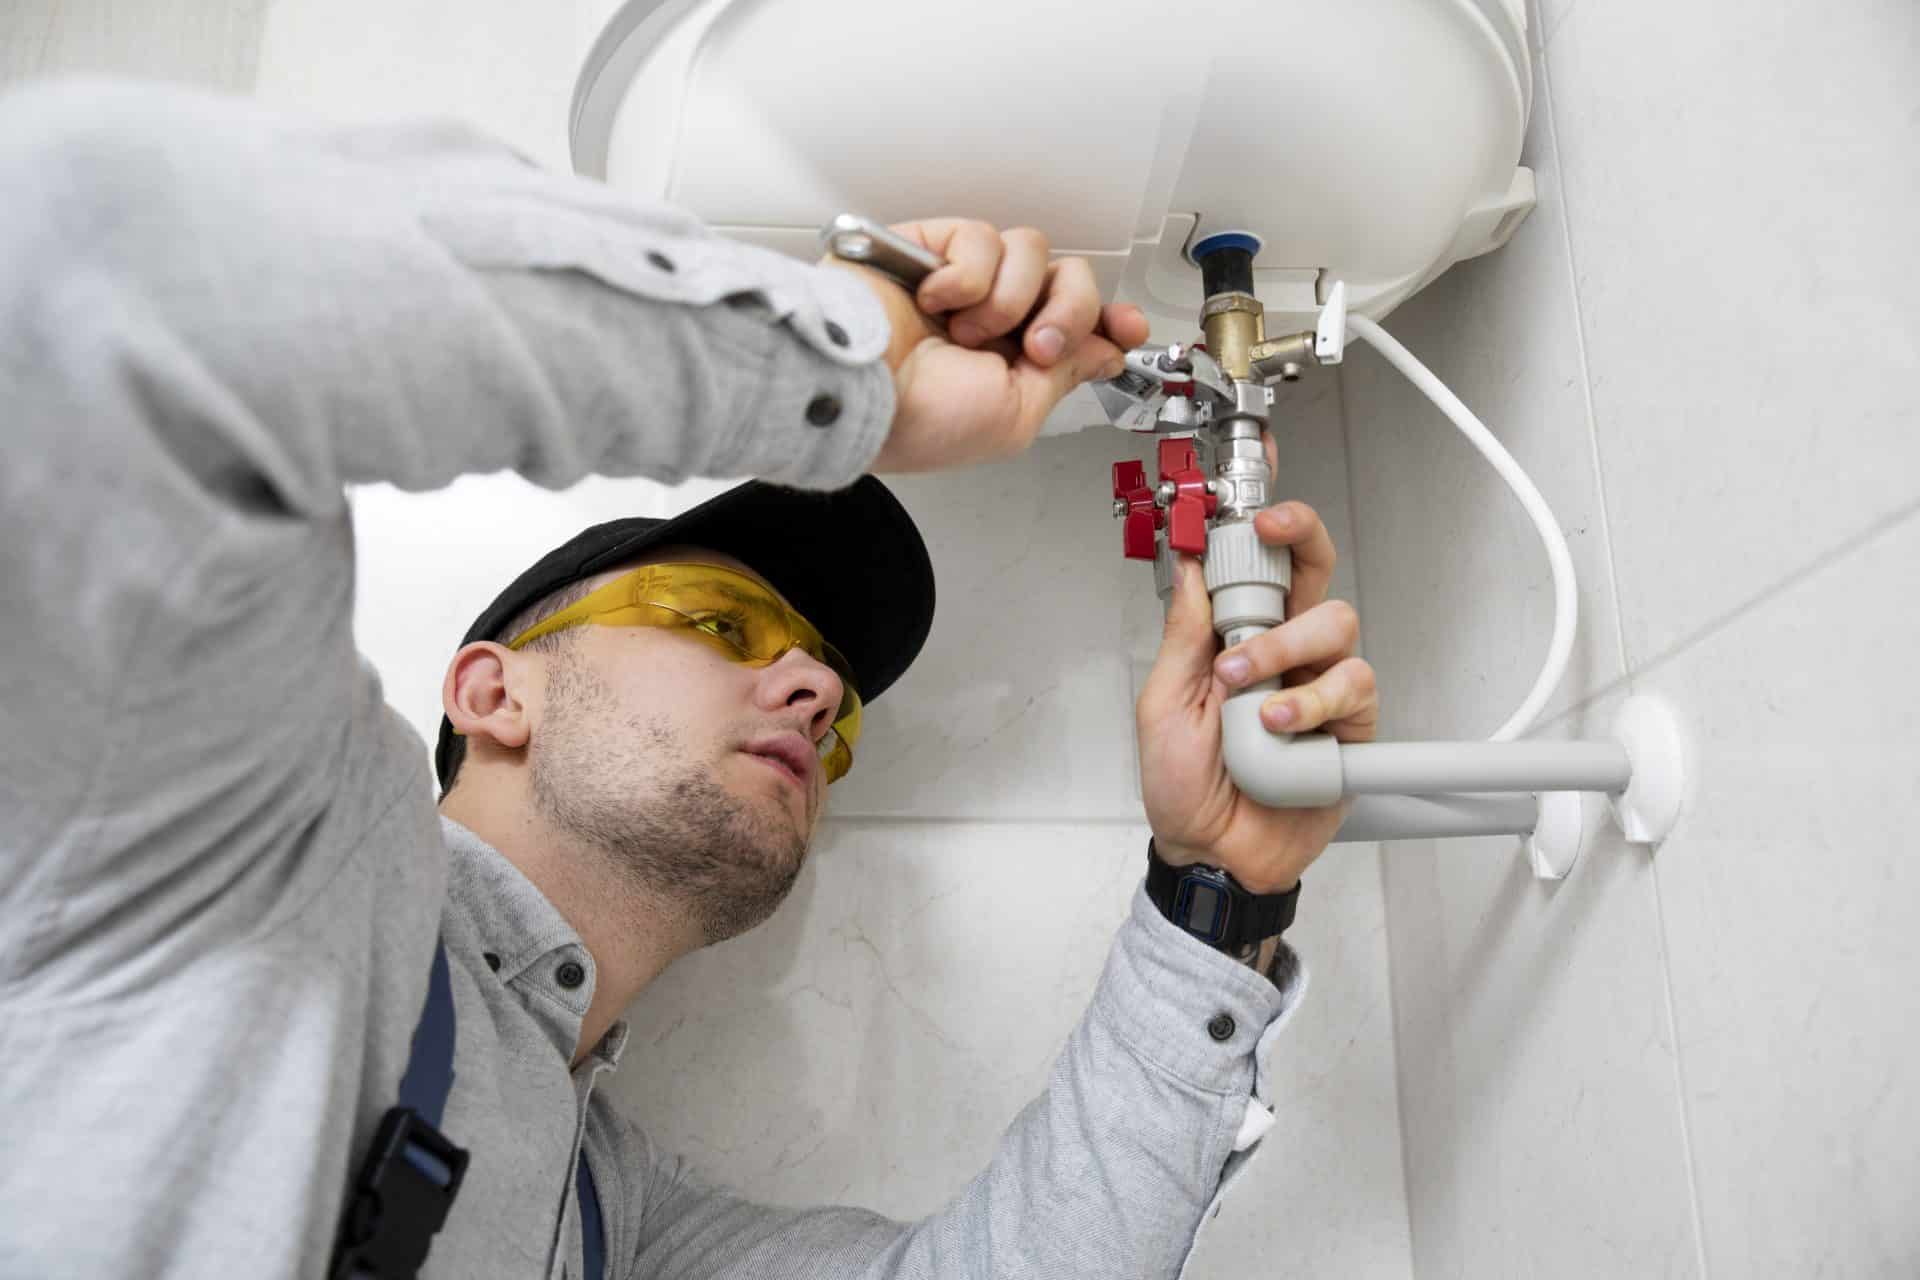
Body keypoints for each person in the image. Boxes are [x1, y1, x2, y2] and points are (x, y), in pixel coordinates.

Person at [0, 77, 1378, 1279]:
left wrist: (1219, 895)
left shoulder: (608, 1221)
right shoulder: (235, 854)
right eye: (720, 623)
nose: (816, 693)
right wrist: (839, 365)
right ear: (494, 694)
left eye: (832, 701)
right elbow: (89, 255)